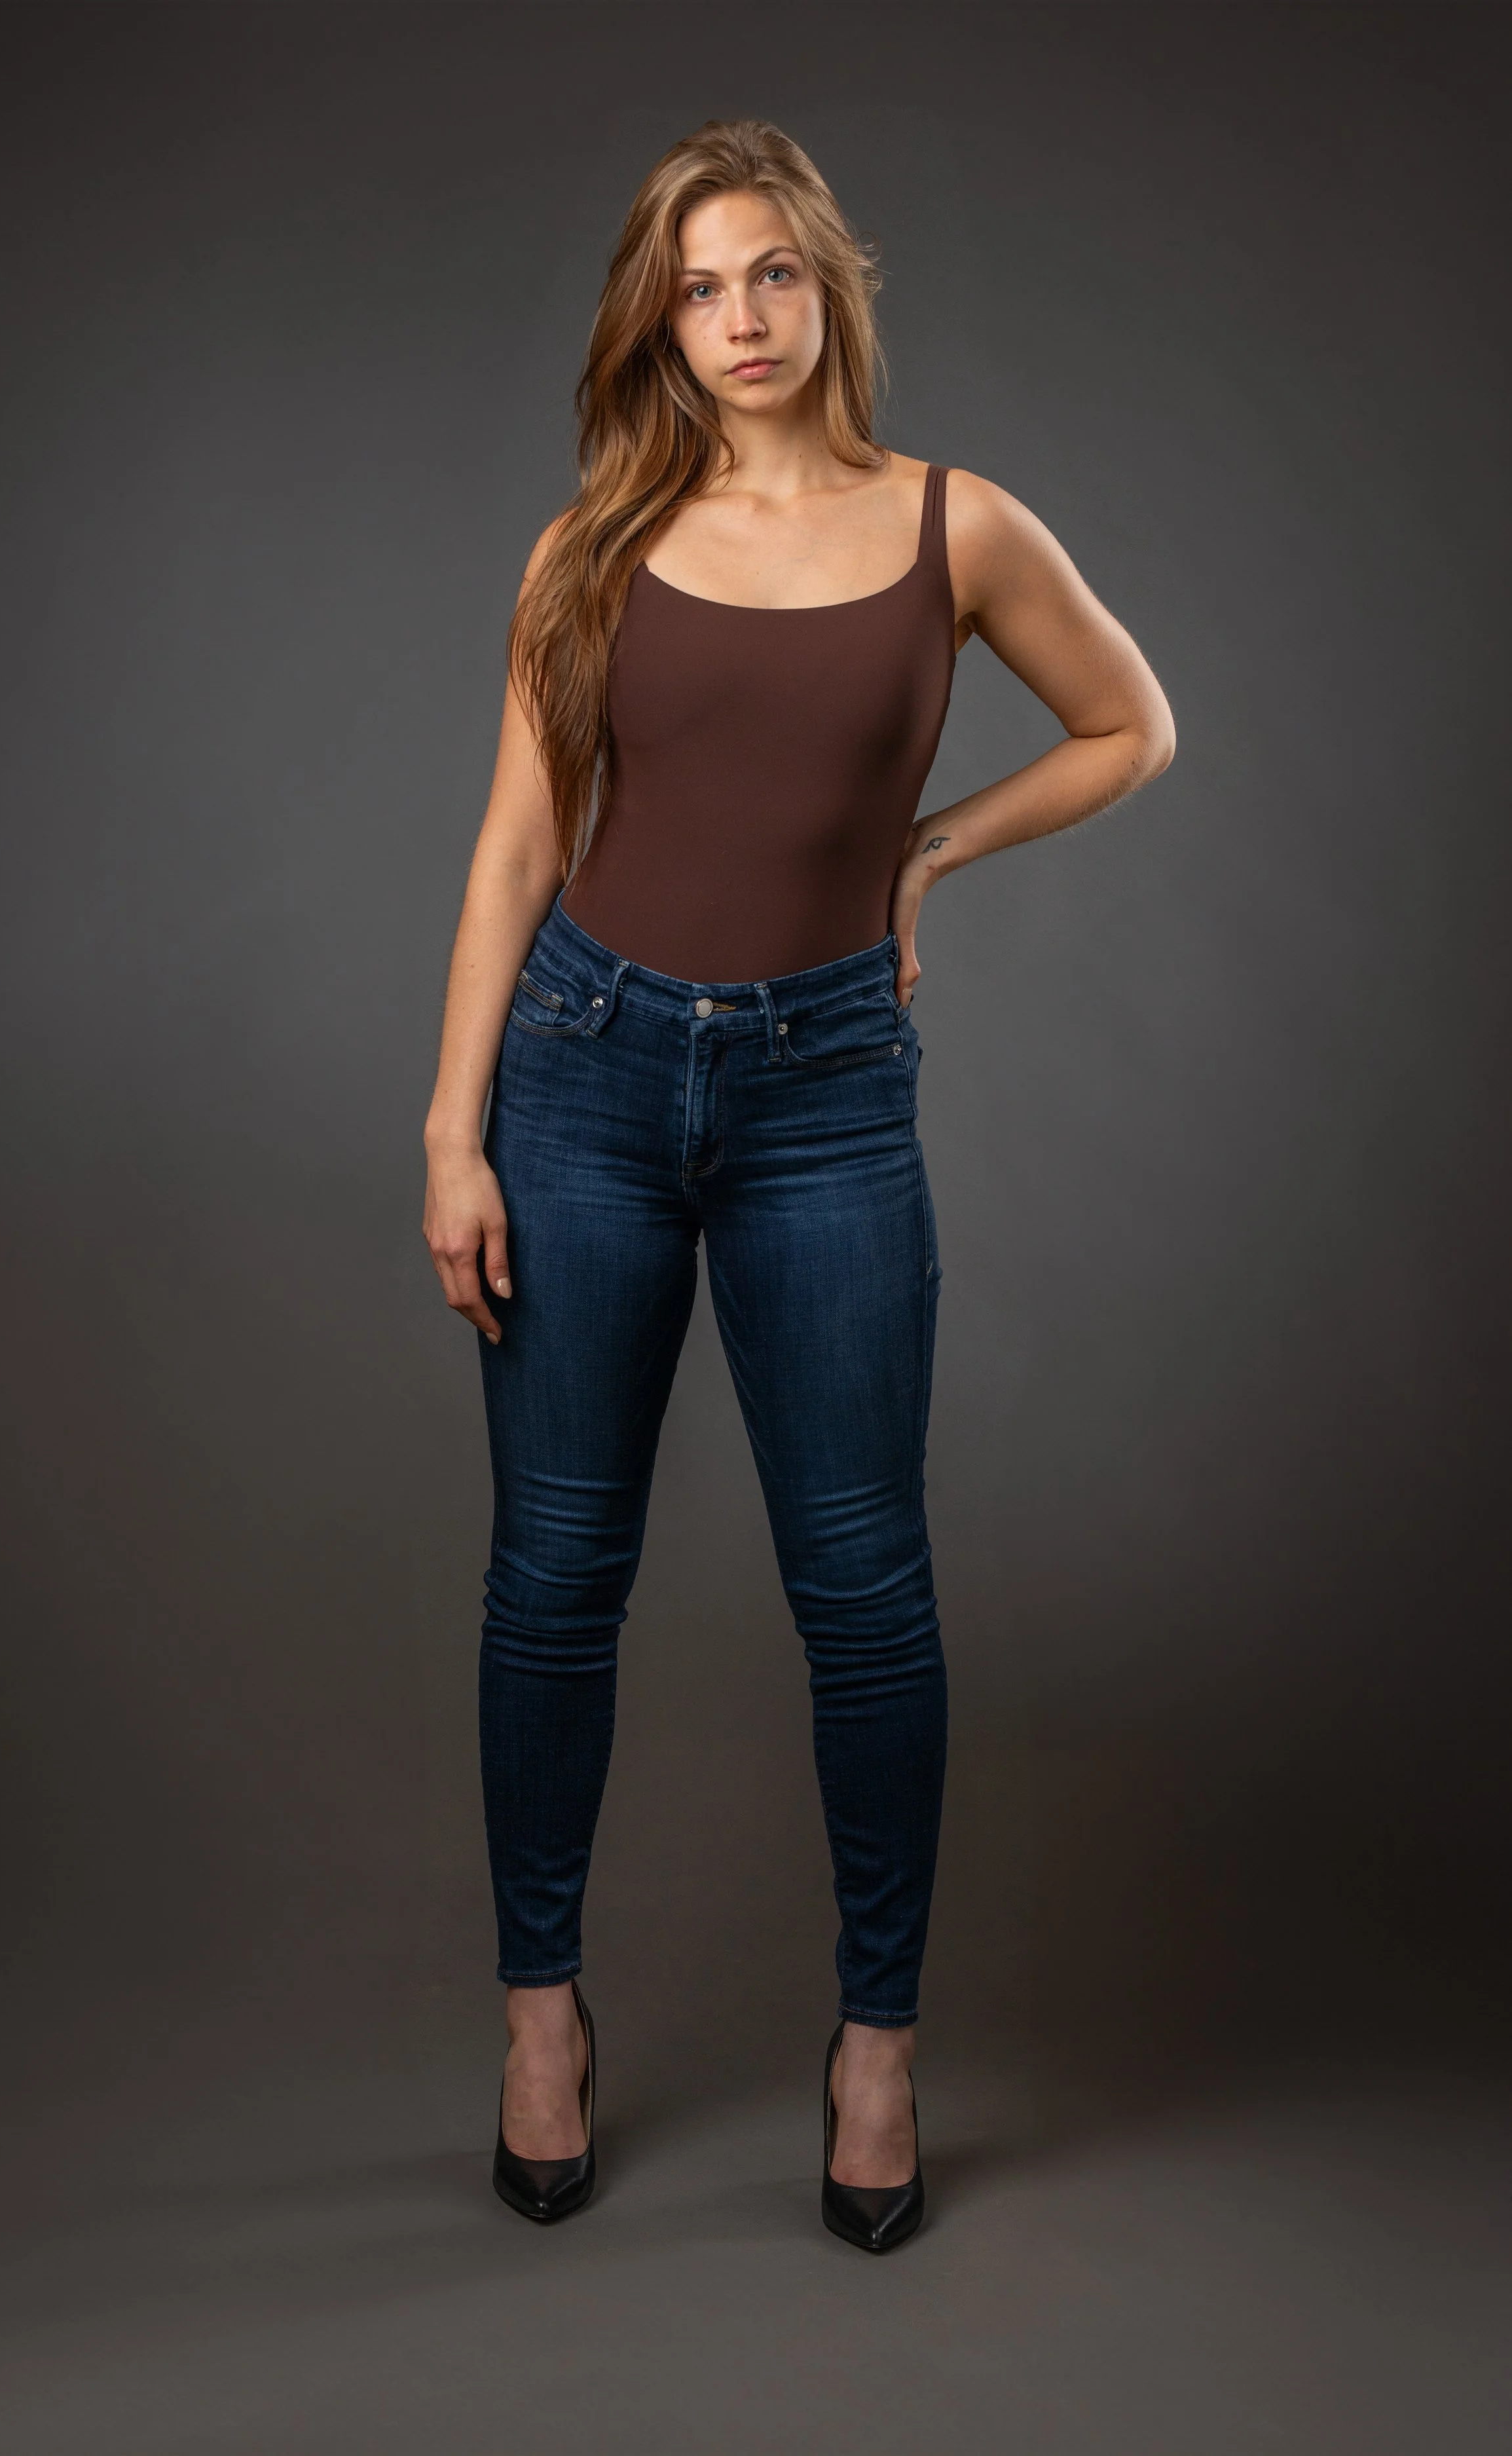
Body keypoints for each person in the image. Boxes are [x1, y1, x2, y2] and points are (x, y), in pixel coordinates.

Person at [423, 117, 1175, 2252]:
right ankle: (540, 2017)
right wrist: (447, 1123)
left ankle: (875, 2050)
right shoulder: (592, 542)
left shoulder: (960, 527)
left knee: (862, 1588)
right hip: (576, 1076)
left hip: (826, 1094)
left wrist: (934, 846)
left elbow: (1133, 727)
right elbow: (507, 845)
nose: (735, 320)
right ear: (654, 321)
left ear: (828, 283)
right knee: (556, 1575)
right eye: (693, 287)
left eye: (767, 274)